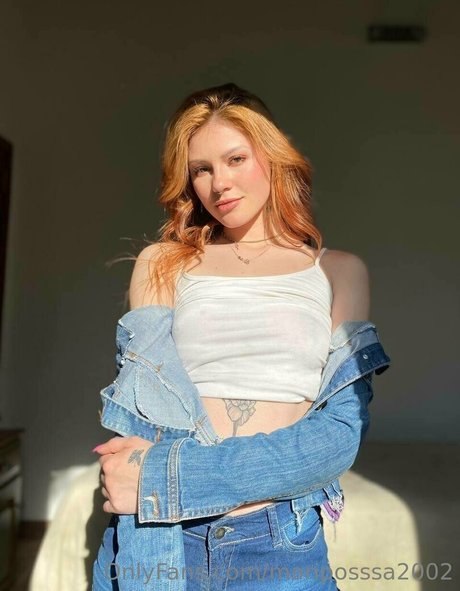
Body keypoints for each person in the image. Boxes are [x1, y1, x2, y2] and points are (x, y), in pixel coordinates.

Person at [93, 83, 390, 590]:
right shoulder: (162, 264)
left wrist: (165, 479)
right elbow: (146, 411)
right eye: (201, 169)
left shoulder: (338, 271)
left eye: (235, 159)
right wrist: (157, 483)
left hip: (279, 546)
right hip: (161, 539)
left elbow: (339, 437)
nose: (219, 184)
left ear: (272, 157)